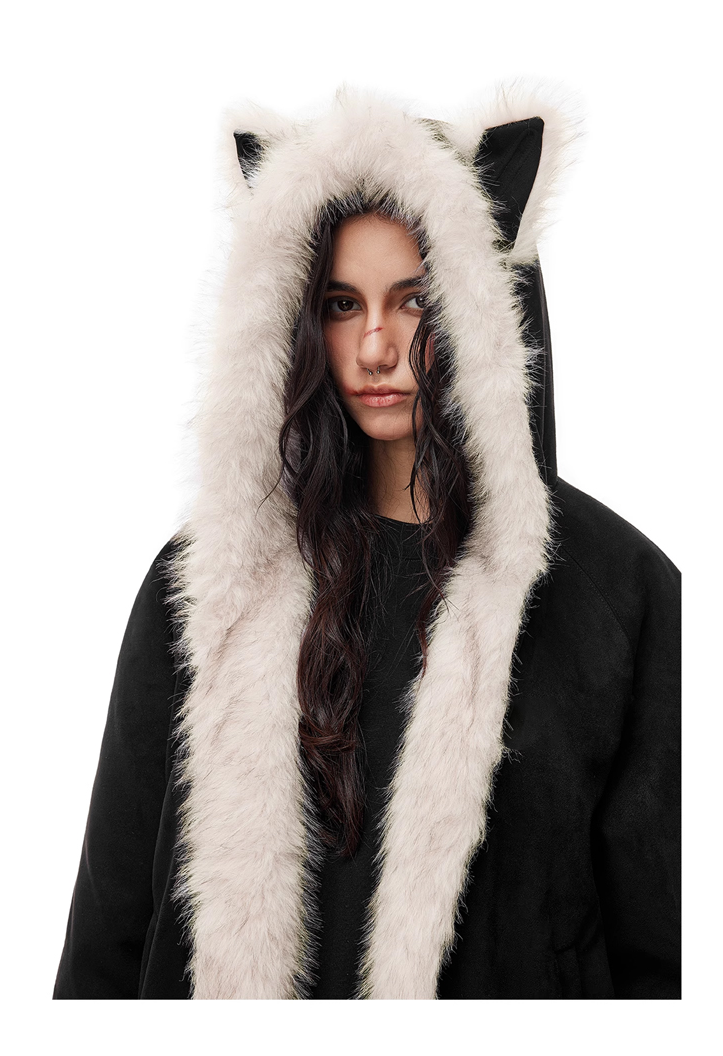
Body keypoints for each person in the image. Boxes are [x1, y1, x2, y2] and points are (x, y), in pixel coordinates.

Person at [53, 86, 681, 1000]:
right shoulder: (208, 584)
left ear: (480, 310)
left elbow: (669, 955)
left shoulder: (617, 594)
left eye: (415, 300)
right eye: (343, 304)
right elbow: (111, 923)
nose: (377, 347)